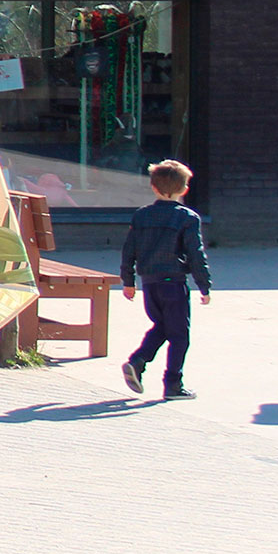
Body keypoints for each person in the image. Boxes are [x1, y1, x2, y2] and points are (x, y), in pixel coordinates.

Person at [119, 160, 211, 399]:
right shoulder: (188, 218)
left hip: (150, 283)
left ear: (153, 187)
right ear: (184, 189)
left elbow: (129, 250)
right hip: (174, 282)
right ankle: (172, 384)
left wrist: (128, 281)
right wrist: (204, 285)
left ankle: (138, 362)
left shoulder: (142, 216)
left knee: (163, 326)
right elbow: (195, 253)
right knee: (180, 335)